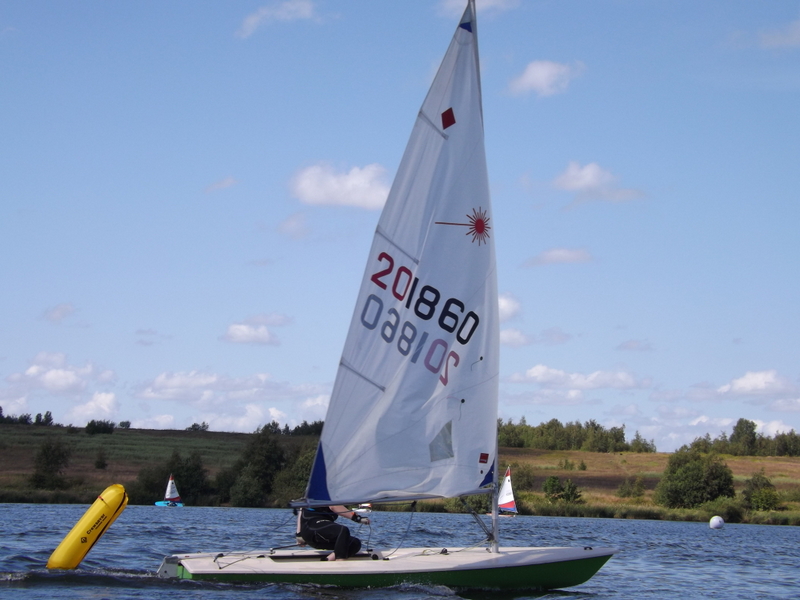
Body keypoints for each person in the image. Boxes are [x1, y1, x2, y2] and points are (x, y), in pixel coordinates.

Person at [296, 505, 370, 561]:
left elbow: (301, 509)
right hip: (311, 529)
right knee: (342, 530)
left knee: (354, 543)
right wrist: (357, 518)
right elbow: (334, 506)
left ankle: (327, 561)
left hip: (319, 535)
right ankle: (340, 564)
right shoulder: (327, 493)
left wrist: (299, 534)